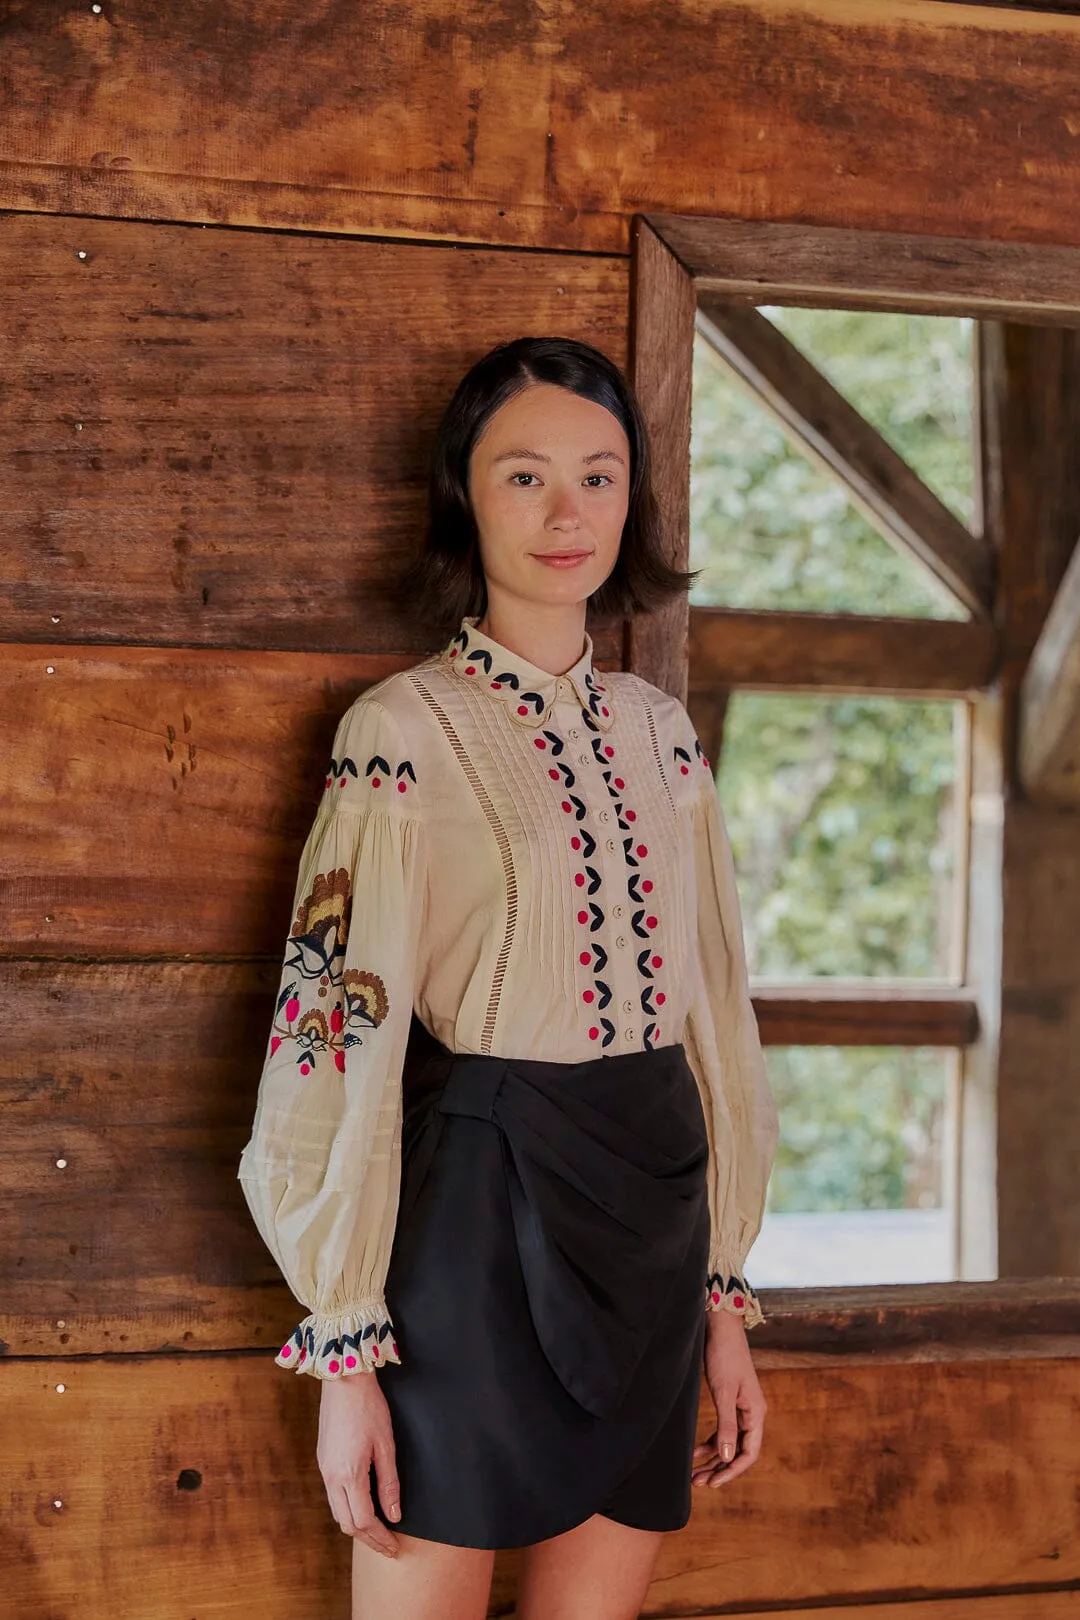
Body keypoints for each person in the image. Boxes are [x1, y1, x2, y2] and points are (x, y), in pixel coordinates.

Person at [237, 336, 779, 1620]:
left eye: (599, 475)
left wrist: (724, 1299)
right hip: (474, 1223)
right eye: (524, 475)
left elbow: (716, 1017)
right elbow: (334, 1026)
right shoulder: (399, 731)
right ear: (463, 496)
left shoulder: (663, 736)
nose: (567, 511)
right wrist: (345, 1352)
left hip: (656, 1216)